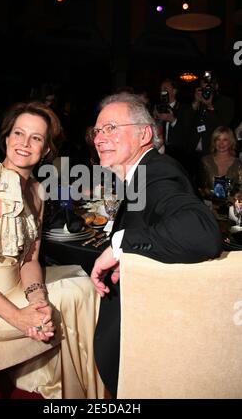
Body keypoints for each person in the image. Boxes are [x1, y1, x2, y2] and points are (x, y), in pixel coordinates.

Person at [0, 101, 104, 399]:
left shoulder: (36, 190)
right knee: (78, 294)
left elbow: (30, 257)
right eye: (18, 133)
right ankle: (80, 395)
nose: (24, 143)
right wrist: (18, 316)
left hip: (16, 289)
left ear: (45, 150)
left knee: (85, 282)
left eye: (36, 138)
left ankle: (73, 388)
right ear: (6, 138)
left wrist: (38, 296)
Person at [90, 92, 223, 397]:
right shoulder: (143, 173)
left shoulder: (157, 172)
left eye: (111, 128)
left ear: (144, 134)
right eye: (97, 130)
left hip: (149, 346)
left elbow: (202, 232)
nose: (99, 138)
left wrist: (119, 244)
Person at [198, 126, 242, 197]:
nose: (221, 143)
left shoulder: (238, 164)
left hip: (231, 206)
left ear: (231, 142)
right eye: (218, 139)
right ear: (214, 142)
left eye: (225, 140)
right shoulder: (205, 161)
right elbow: (199, 187)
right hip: (208, 205)